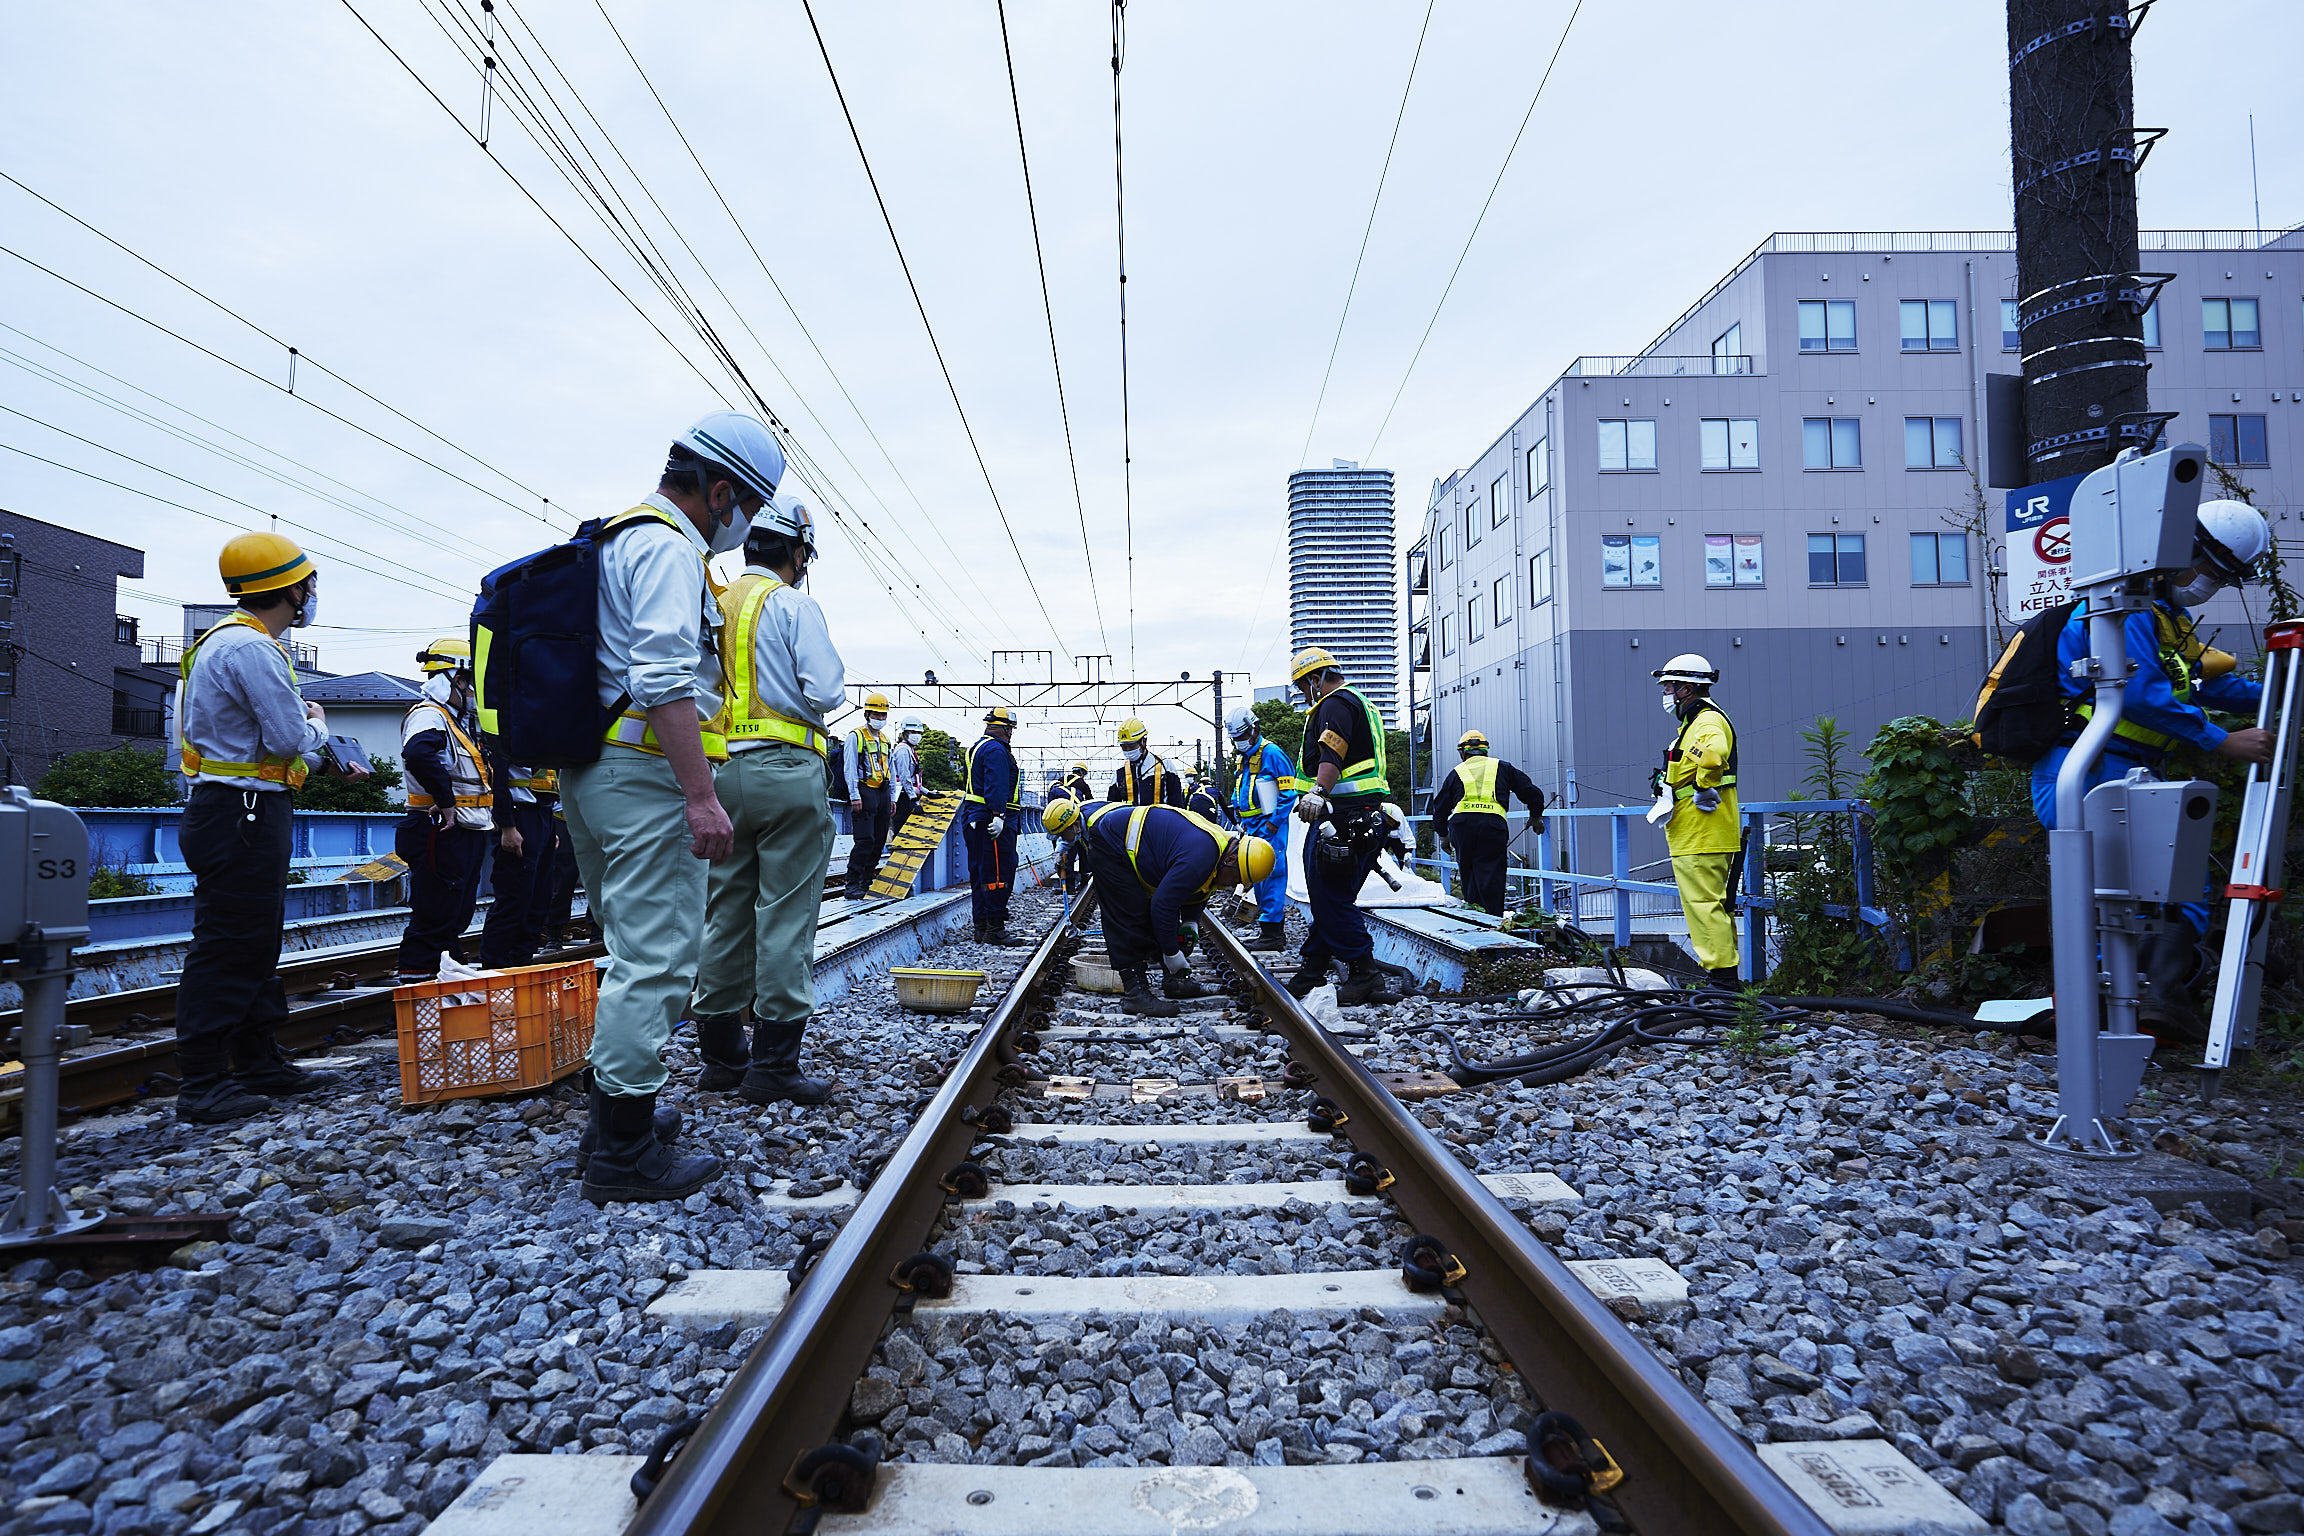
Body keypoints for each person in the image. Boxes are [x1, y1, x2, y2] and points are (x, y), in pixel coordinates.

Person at [560, 411, 784, 1203]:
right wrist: (700, 795)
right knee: (656, 961)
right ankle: (624, 1155)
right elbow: (662, 678)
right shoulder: (667, 548)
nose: (745, 523)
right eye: (747, 506)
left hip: (593, 772)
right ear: (720, 491)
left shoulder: (614, 538)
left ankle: (612, 1121)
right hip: (643, 772)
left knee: (628, 951)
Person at [2031, 498, 2274, 1030]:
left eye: (2222, 577)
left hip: (2125, 769)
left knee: (2172, 884)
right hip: (2089, 767)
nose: (2209, 583)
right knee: (2105, 891)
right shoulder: (2122, 607)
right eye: (2211, 569)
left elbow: (2199, 683)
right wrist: (2220, 741)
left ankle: (2147, 1004)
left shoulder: (2163, 613)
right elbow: (2139, 694)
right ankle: (2097, 1010)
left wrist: (2273, 695)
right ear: (2184, 549)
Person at [172, 532, 365, 1124]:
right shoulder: (252, 650)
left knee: (253, 939)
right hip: (242, 813)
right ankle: (203, 1084)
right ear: (287, 587)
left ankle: (258, 1062)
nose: (311, 593)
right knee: (231, 944)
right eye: (308, 582)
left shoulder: (225, 644)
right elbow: (287, 739)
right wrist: (320, 726)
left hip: (235, 809)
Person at [691, 497, 845, 1106]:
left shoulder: (713, 604)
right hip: (787, 771)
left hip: (721, 774)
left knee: (725, 909)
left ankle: (722, 1058)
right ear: (798, 552)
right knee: (784, 913)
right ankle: (774, 1065)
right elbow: (826, 690)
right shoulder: (793, 605)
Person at [1044, 797, 1274, 1017]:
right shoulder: (1201, 857)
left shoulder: (1220, 848)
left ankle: (1175, 981)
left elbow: (1198, 887)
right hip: (1111, 847)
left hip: (1135, 844)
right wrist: (1172, 953)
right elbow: (1163, 906)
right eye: (1236, 879)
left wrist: (1190, 921)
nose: (1231, 885)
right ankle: (1136, 992)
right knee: (1128, 913)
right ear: (1232, 860)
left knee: (1160, 913)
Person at [1283, 647, 1399, 1006]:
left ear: (1315, 680)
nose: (1305, 696)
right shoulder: (1362, 703)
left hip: (1343, 817)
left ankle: (1363, 971)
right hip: (1364, 816)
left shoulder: (1334, 704)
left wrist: (1318, 792)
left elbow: (1333, 752)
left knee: (1328, 896)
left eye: (1304, 688)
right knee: (1333, 895)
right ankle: (1314, 967)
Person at [395, 640, 493, 981]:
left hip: (462, 828)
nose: (473, 692)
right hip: (439, 826)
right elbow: (419, 754)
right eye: (470, 683)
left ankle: (444, 977)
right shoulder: (429, 715)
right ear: (456, 679)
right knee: (436, 909)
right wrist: (448, 803)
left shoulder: (455, 721)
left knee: (455, 909)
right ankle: (418, 977)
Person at [1651, 654, 1742, 989]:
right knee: (1711, 905)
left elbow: (1714, 755)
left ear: (1687, 688)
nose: (1666, 693)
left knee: (1704, 905)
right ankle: (1723, 978)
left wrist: (1703, 785)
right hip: (1697, 832)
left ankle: (1722, 981)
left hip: (1702, 831)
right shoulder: (1694, 724)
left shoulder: (1705, 722)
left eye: (1669, 686)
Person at [1430, 729, 1548, 917]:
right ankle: (1492, 921)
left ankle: (1473, 918)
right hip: (1492, 826)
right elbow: (1531, 792)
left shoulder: (1456, 772)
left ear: (1462, 752)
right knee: (1492, 876)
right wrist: (1536, 815)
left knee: (1468, 874)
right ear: (1486, 750)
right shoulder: (1503, 767)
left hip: (1462, 827)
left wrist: (1443, 836)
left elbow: (1440, 808)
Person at [1225, 706, 1297, 952]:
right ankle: (1268, 929)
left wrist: (1274, 822)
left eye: (1242, 737)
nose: (1239, 743)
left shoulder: (1273, 754)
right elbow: (1240, 788)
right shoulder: (1244, 758)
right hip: (1252, 825)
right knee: (1257, 875)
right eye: (1235, 739)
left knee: (1273, 874)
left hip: (1269, 825)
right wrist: (1239, 816)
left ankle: (1273, 933)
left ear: (1254, 730)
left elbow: (1288, 793)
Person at [964, 707, 1025, 944]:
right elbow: (996, 783)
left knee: (980, 872)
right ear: (1005, 728)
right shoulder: (996, 750)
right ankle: (995, 929)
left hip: (975, 818)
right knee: (998, 872)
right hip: (992, 819)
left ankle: (981, 926)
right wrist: (998, 814)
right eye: (1010, 729)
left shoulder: (978, 747)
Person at [832, 692, 895, 899]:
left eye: (883, 715)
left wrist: (892, 797)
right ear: (867, 714)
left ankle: (867, 881)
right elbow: (849, 767)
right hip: (864, 790)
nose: (880, 719)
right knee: (864, 840)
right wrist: (854, 795)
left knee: (878, 841)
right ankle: (852, 884)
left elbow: (891, 770)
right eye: (876, 714)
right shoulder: (856, 736)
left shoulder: (885, 740)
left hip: (883, 792)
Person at [1108, 718, 1185, 806]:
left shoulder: (1164, 766)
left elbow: (1177, 801)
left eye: (1131, 746)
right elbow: (1111, 806)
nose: (1128, 750)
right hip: (1130, 819)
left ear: (1144, 742)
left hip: (1161, 819)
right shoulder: (1120, 773)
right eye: (1124, 747)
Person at [890, 716, 928, 836]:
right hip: (902, 795)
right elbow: (904, 777)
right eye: (913, 732)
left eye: (918, 733)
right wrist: (913, 799)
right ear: (905, 733)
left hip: (906, 793)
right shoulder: (902, 750)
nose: (916, 735)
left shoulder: (909, 750)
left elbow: (913, 779)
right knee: (901, 828)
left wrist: (927, 792)